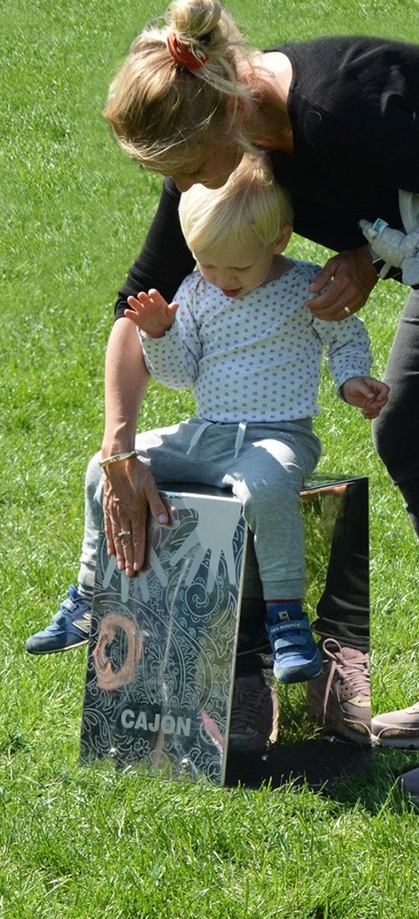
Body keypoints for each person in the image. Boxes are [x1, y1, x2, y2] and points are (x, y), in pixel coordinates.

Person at [31, 0, 419, 797]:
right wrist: (118, 448)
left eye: (186, 167)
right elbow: (140, 298)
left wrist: (366, 259)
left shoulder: (342, 108)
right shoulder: (221, 148)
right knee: (411, 433)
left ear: (225, 112)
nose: (183, 186)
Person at [27, 152, 388, 748]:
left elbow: (345, 335)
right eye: (206, 262)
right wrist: (161, 333)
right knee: (104, 466)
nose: (222, 277)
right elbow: (179, 374)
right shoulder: (195, 291)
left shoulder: (305, 286)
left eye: (237, 266)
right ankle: (89, 596)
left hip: (277, 435)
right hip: (206, 433)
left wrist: (352, 381)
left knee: (262, 487)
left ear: (279, 239)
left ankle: (286, 618)